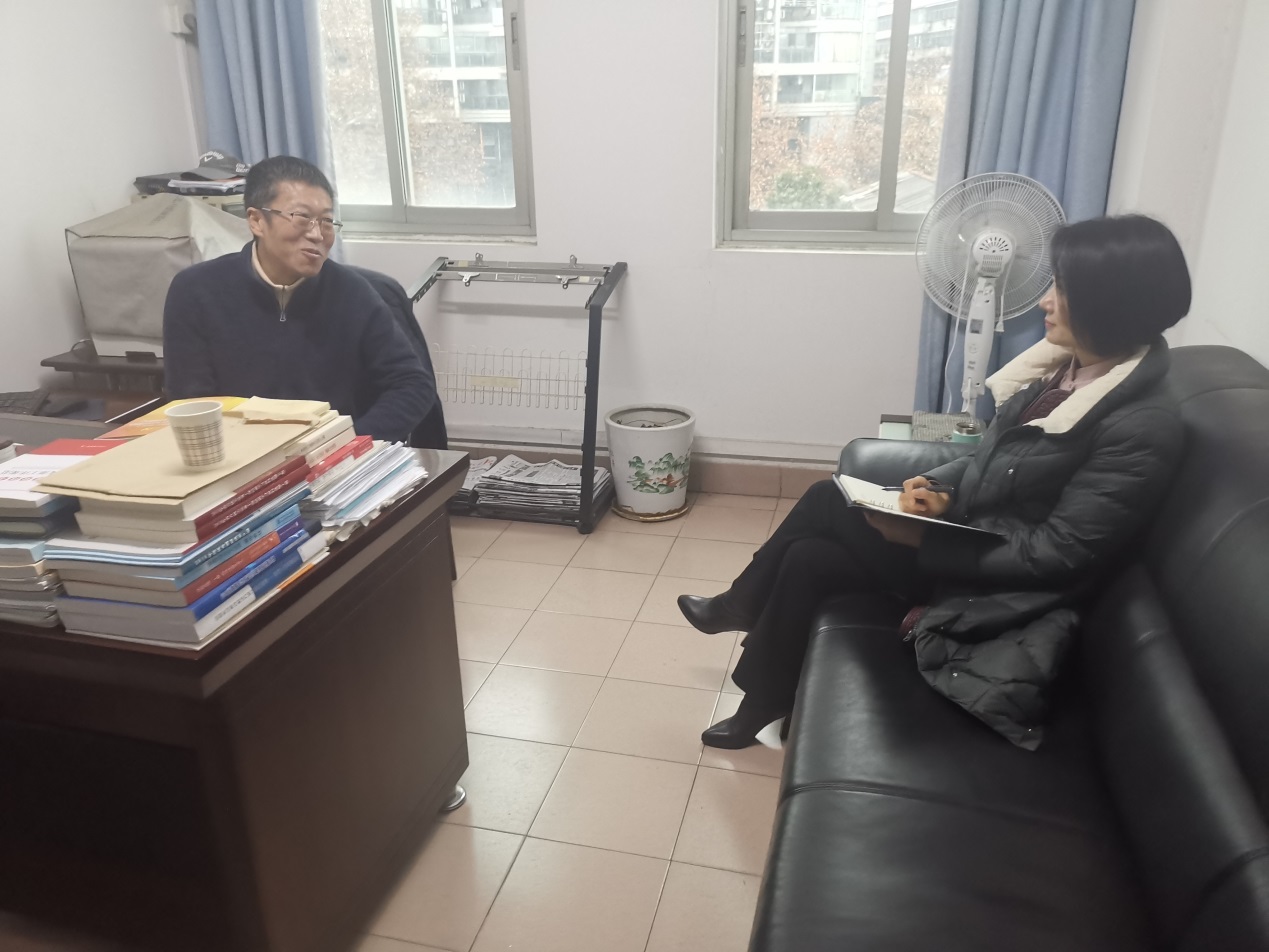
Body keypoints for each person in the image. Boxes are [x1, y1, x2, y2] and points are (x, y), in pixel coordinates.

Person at [679, 214, 1192, 750]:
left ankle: (739, 606)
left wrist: (927, 542)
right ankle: (761, 699)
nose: (1045, 301)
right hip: (969, 546)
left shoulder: (1141, 428)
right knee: (809, 556)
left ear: (1110, 303)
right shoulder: (1066, 372)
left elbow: (1058, 554)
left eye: (1061, 290)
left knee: (827, 498)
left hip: (998, 591)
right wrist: (936, 485)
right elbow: (992, 453)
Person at [163, 155, 434, 442]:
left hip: (332, 455)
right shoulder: (196, 291)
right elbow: (192, 403)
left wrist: (349, 443)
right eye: (302, 217)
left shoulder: (353, 293)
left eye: (326, 221)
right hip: (239, 453)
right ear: (257, 221)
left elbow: (413, 384)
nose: (317, 234)